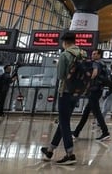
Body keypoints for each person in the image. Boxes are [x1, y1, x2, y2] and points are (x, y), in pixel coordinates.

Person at [40, 31, 87, 165]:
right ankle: (50, 150)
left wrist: (59, 65)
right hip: (77, 92)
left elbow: (61, 75)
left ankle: (70, 154)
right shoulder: (83, 53)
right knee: (63, 121)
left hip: (65, 92)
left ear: (65, 42)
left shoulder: (65, 55)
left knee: (64, 122)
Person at [72, 49, 111, 141]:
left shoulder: (96, 63)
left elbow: (94, 73)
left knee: (97, 112)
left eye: (94, 54)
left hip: (94, 90)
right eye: (92, 53)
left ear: (99, 55)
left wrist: (88, 81)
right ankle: (76, 132)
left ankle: (105, 132)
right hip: (98, 90)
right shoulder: (103, 64)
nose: (92, 55)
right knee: (86, 113)